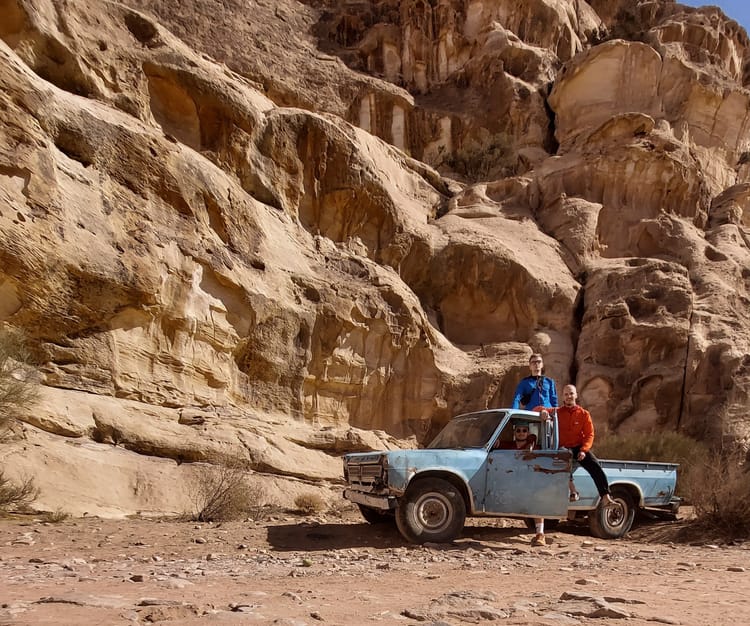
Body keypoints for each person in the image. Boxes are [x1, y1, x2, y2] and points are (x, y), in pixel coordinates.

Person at [539, 384, 615, 507]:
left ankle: (606, 497)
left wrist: (584, 450)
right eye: (566, 394)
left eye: (571, 393)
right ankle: (573, 492)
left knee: (595, 466)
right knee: (564, 455)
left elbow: (590, 434)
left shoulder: (584, 414)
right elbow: (535, 409)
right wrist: (542, 411)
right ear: (562, 397)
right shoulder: (556, 412)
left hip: (579, 447)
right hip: (563, 447)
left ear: (576, 395)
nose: (569, 396)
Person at [495, 420, 546, 546]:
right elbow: (496, 445)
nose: (521, 433)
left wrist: (530, 441)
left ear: (528, 433)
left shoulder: (534, 446)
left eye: (524, 431)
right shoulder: (509, 445)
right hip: (511, 481)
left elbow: (534, 440)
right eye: (518, 430)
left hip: (528, 481)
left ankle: (540, 534)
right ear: (514, 432)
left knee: (536, 501)